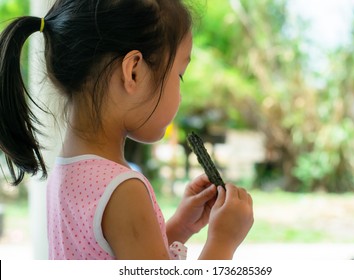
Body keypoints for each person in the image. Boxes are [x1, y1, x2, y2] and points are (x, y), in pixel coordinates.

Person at [0, 0, 253, 260]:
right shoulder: (124, 191)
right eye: (179, 75)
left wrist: (181, 226)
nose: (180, 95)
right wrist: (223, 241)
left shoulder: (67, 172)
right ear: (133, 72)